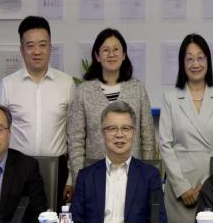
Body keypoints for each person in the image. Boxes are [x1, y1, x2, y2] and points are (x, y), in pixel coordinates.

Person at [0, 16, 74, 208]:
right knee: (19, 221)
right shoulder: (8, 84)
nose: (37, 51)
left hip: (57, 168)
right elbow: (2, 132)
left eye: (42, 44)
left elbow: (74, 135)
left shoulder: (66, 84)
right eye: (30, 45)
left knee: (55, 221)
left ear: (50, 47)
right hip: (18, 168)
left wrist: (71, 178)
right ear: (21, 50)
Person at [158, 34, 213, 223]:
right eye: (189, 59)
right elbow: (165, 144)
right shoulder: (170, 97)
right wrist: (181, 187)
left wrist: (208, 181)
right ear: (182, 63)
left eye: (200, 58)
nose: (195, 64)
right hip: (179, 185)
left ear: (208, 61)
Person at [67, 28, 156, 183]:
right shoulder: (84, 91)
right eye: (105, 50)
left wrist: (146, 178)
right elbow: (76, 141)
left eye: (116, 49)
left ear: (124, 54)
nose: (111, 54)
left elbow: (148, 138)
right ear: (97, 56)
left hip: (133, 176)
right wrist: (80, 180)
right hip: (95, 177)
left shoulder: (137, 89)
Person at [71, 101, 167, 223]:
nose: (119, 135)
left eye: (126, 128)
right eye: (112, 129)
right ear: (102, 133)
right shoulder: (85, 177)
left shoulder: (150, 176)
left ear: (134, 133)